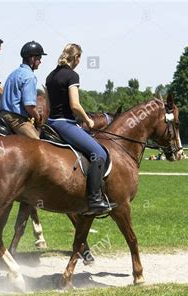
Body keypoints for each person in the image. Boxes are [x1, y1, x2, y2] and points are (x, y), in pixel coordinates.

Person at [45, 43, 114, 215]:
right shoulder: (72, 76)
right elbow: (75, 105)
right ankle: (94, 200)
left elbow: (47, 106)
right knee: (99, 153)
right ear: (76, 58)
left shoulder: (50, 76)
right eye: (79, 59)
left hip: (51, 123)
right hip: (64, 124)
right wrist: (88, 120)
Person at [0, 41, 47, 139]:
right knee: (38, 144)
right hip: (16, 119)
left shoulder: (13, 73)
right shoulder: (29, 76)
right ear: (32, 59)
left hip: (3, 115)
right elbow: (29, 106)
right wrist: (37, 117)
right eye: (39, 59)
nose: (40, 62)